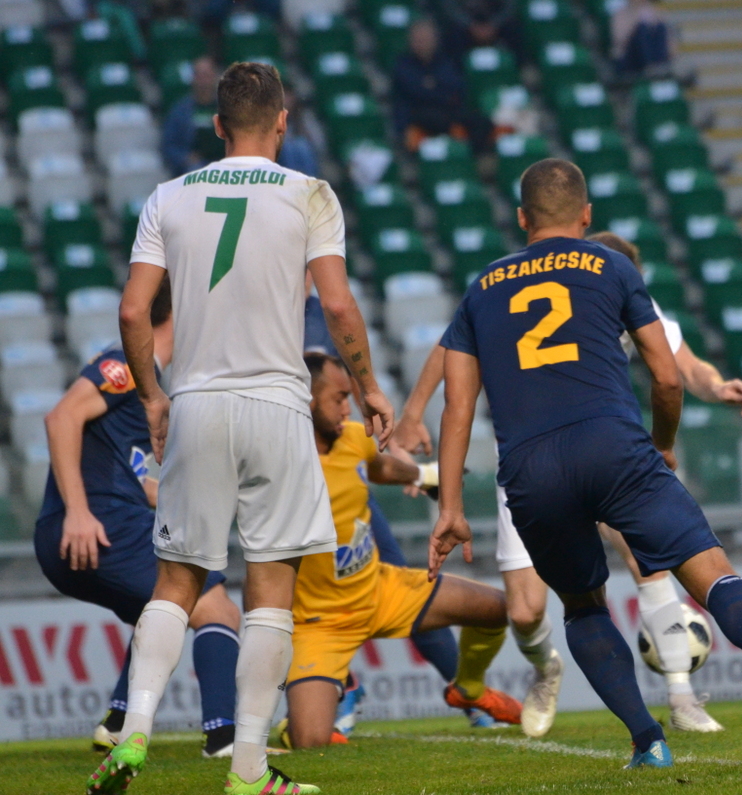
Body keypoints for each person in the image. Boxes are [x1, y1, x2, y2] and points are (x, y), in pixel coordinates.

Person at [429, 158, 742, 768]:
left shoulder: (482, 289)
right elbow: (666, 376)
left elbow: (457, 409)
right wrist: (662, 441)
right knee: (711, 572)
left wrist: (449, 508)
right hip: (612, 445)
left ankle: (646, 739)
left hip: (531, 467)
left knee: (582, 605)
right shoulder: (611, 264)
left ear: (522, 218)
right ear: (586, 215)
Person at [88, 62, 393, 795]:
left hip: (195, 401)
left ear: (217, 126)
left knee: (176, 581)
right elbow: (340, 307)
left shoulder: (168, 196)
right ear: (283, 121)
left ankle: (132, 735)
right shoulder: (309, 193)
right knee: (270, 589)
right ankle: (249, 767)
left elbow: (133, 312)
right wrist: (372, 387)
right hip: (277, 404)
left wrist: (155, 399)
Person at [398, 230, 742, 736]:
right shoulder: (543, 292)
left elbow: (685, 366)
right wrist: (413, 411)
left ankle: (681, 698)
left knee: (644, 557)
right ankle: (546, 666)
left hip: (603, 451)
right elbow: (452, 347)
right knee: (524, 611)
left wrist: (718, 387)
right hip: (533, 464)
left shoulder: (629, 297)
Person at [34, 283, 243, 758]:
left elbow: (130, 473)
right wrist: (80, 512)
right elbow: (61, 418)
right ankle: (224, 736)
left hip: (89, 527)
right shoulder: (130, 363)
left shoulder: (153, 381)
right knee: (214, 607)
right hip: (95, 524)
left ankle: (118, 721)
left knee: (160, 611)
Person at [281, 354, 520, 748]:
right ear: (305, 398)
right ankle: (300, 721)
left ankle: (470, 689)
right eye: (339, 398)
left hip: (380, 590)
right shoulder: (281, 461)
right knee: (311, 743)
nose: (347, 408)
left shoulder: (353, 438)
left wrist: (427, 476)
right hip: (320, 623)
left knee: (501, 608)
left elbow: (379, 467)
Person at [302, 281, 493, 732]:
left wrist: (420, 471)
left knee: (407, 592)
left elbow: (341, 391)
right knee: (291, 603)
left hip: (343, 488)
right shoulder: (253, 318)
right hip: (285, 491)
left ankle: (464, 691)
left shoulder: (319, 312)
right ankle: (339, 685)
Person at [392, 18, 494, 153]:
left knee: (481, 121)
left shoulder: (445, 61)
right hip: (418, 113)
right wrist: (439, 90)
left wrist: (432, 86)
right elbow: (416, 92)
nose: (422, 43)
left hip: (448, 110)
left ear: (435, 39)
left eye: (426, 38)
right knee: (434, 118)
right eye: (418, 39)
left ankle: (472, 157)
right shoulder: (402, 65)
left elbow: (456, 86)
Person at [162, 55, 226, 177]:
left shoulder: (230, 109)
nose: (203, 81)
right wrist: (185, 158)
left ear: (215, 77)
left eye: (207, 75)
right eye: (199, 75)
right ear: (193, 78)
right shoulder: (180, 111)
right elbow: (168, 146)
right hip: (196, 166)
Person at [434, 0, 521, 62]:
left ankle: (522, 68)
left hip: (495, 23)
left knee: (513, 25)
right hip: (465, 26)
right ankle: (458, 73)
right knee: (453, 31)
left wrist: (494, 24)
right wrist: (470, 25)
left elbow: (510, 6)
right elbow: (450, 8)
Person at [610, 0, 674, 78]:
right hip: (629, 58)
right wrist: (636, 19)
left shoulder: (654, 13)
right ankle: (649, 65)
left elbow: (667, 39)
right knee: (642, 28)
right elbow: (619, 40)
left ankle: (660, 64)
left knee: (660, 26)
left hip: (654, 55)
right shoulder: (621, 14)